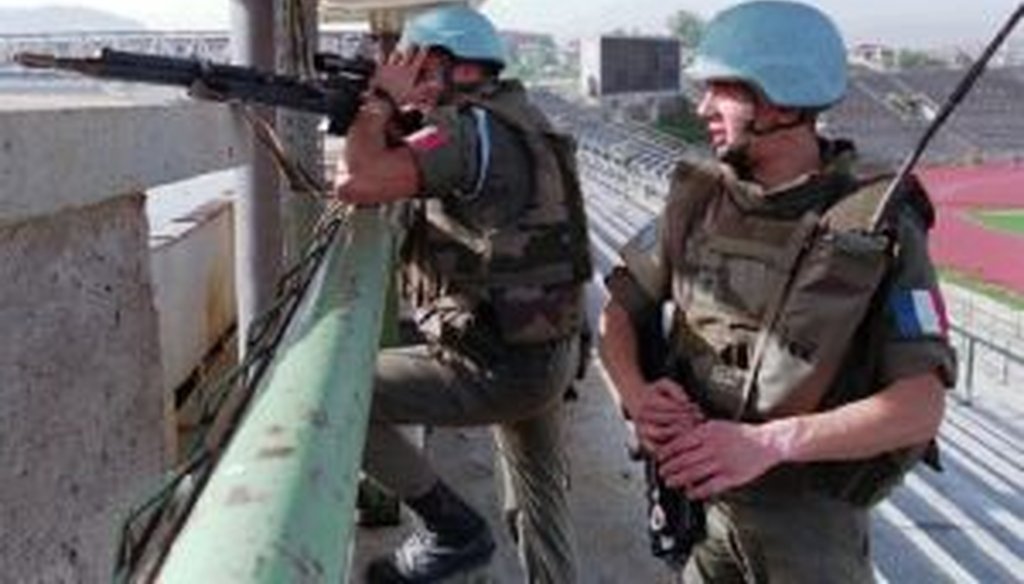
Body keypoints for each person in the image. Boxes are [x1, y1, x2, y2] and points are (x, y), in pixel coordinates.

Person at [599, 1, 956, 582]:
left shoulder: (876, 224)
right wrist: (637, 397)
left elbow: (920, 407)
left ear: (782, 101)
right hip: (704, 506)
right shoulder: (697, 197)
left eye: (723, 90)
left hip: (807, 531)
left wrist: (769, 443)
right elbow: (617, 312)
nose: (703, 107)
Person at [334, 6, 591, 583]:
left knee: (344, 393)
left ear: (439, 65)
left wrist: (376, 103)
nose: (400, 73)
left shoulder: (460, 130)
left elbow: (357, 183)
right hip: (549, 344)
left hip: (498, 361)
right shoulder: (516, 115)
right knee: (540, 506)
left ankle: (452, 530)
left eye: (408, 63)